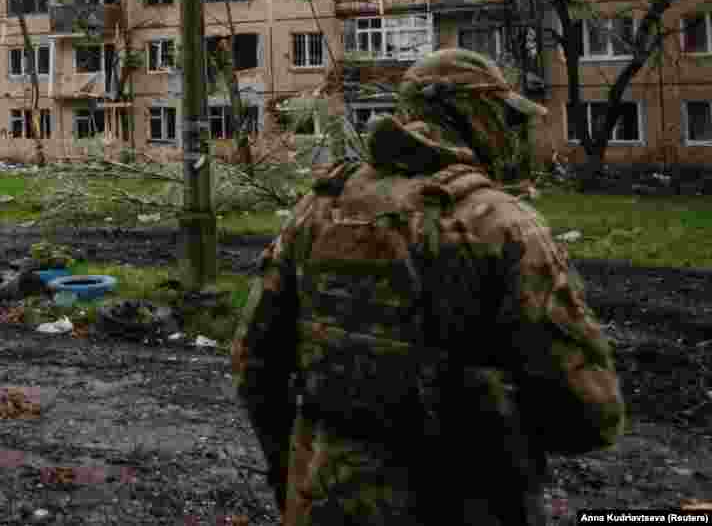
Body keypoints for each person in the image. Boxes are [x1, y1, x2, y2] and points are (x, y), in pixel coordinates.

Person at [230, 49, 625, 525]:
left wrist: (294, 481)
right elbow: (589, 412)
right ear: (473, 117)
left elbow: (255, 367)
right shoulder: (503, 224)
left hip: (325, 501)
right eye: (503, 118)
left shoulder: (317, 211)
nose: (510, 135)